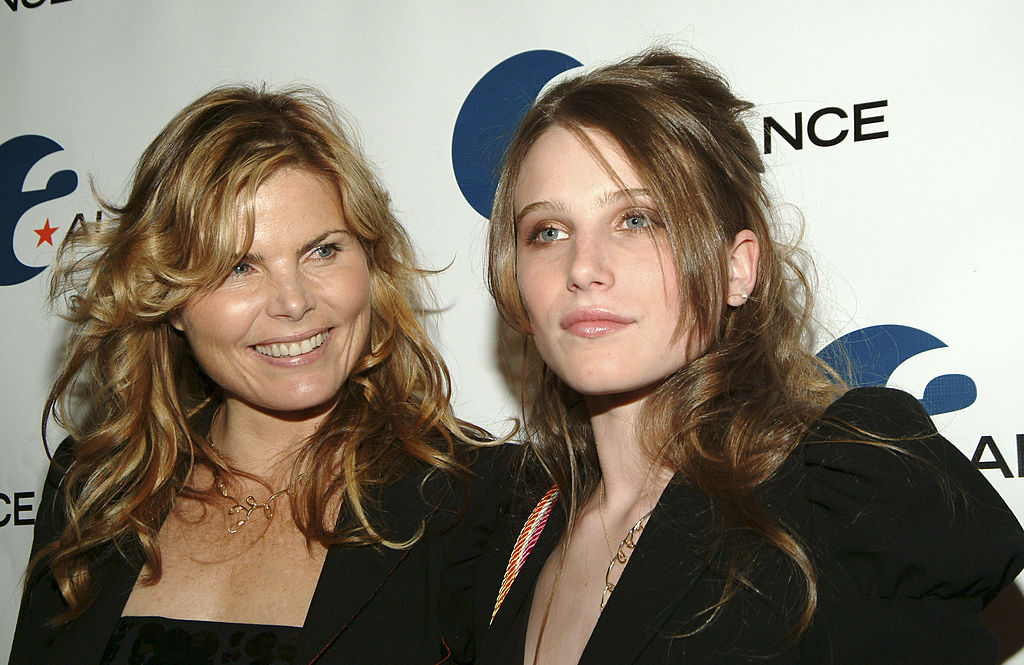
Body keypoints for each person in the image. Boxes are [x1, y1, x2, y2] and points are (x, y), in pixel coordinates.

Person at [469, 49, 1024, 664]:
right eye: (548, 231)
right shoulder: (515, 535)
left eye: (637, 219)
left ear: (737, 269)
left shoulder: (843, 492)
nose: (583, 268)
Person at [10, 84, 495, 665]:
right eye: (240, 265)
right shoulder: (94, 487)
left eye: (322, 251)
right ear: (168, 296)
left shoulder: (468, 500)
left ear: (371, 264)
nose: (292, 302)